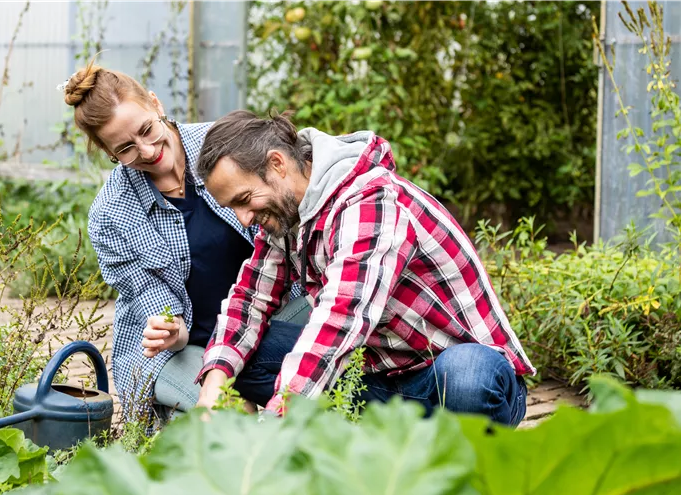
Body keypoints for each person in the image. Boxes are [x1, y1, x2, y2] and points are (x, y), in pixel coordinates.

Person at [193, 110, 536, 426]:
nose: (243, 218)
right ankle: (369, 447)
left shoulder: (369, 201)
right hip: (380, 379)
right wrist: (212, 391)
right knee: (247, 355)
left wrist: (278, 422)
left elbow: (342, 315)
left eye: (243, 199)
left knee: (468, 376)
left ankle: (454, 462)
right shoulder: (287, 212)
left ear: (278, 164)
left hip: (444, 380)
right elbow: (248, 302)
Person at [62, 62, 307, 426]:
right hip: (187, 348)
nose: (146, 151)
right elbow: (156, 302)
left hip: (272, 315)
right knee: (231, 421)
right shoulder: (111, 212)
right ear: (108, 152)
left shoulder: (227, 147)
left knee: (300, 399)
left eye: (146, 130)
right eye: (126, 148)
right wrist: (172, 331)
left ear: (156, 105)